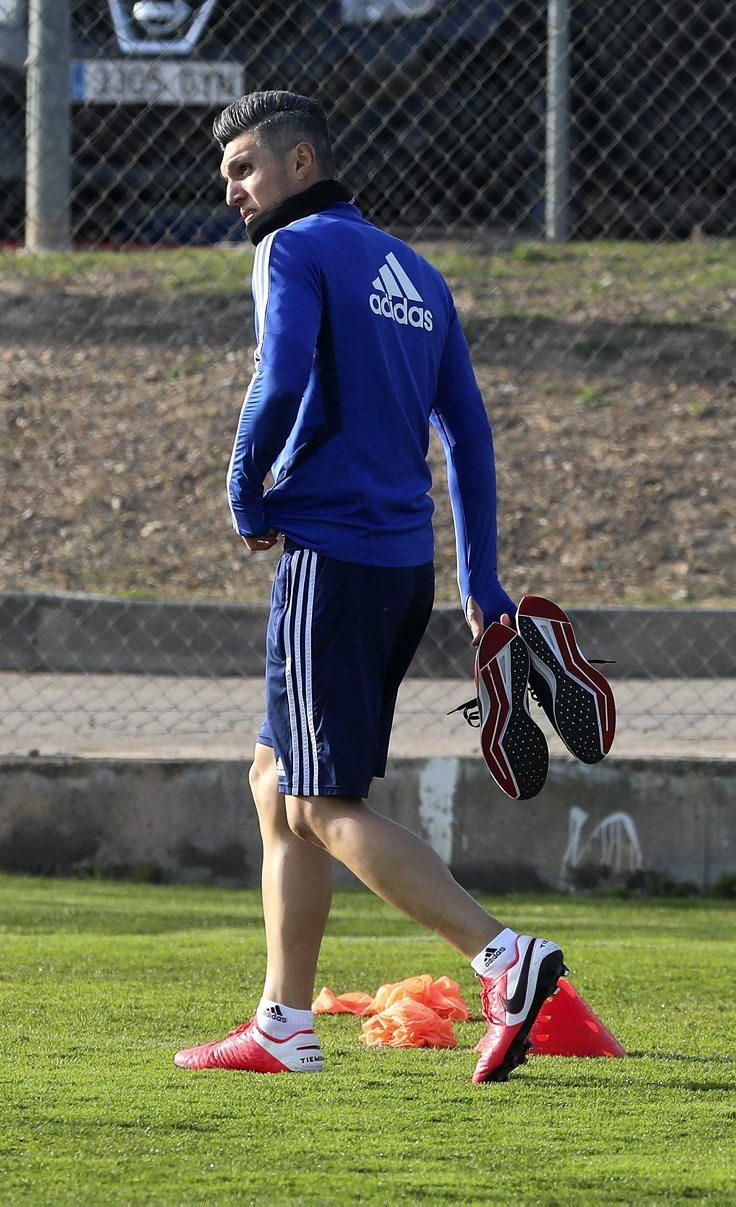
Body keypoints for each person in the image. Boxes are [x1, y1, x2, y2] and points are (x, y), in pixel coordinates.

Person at [173, 90, 565, 1085]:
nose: (233, 191)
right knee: (276, 779)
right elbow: (466, 432)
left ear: (301, 160)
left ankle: (504, 959)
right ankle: (282, 1023)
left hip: (330, 557)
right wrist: (480, 578)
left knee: (317, 802)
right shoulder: (417, 273)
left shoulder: (292, 249)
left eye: (246, 167)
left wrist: (241, 490)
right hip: (400, 563)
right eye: (225, 175)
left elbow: (281, 373)